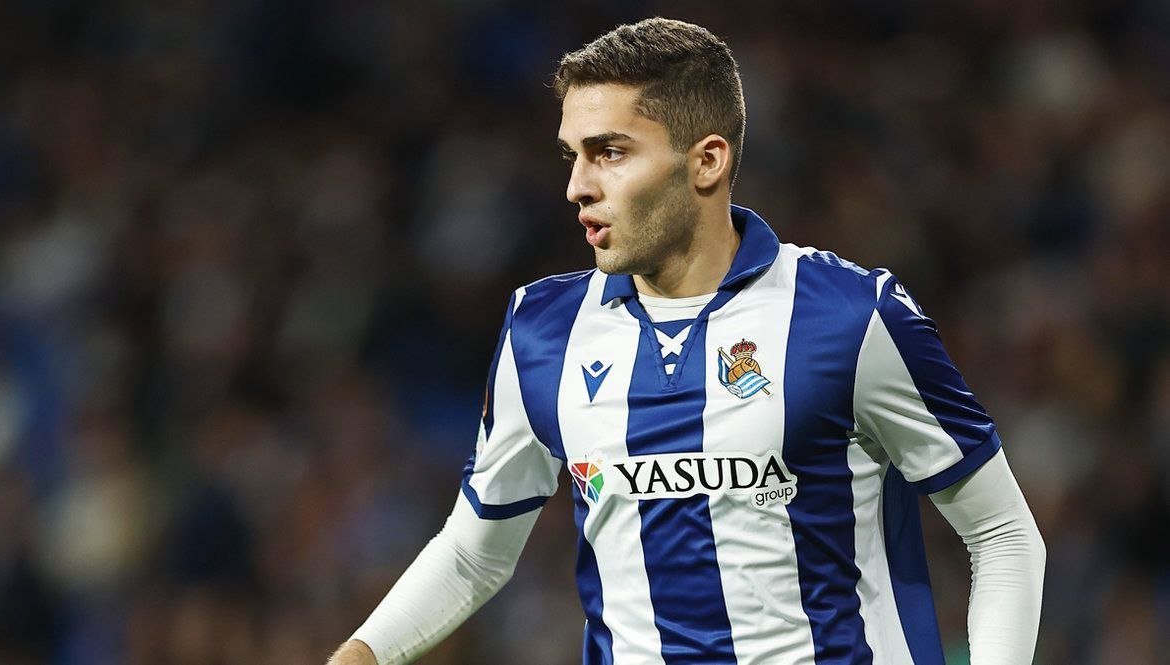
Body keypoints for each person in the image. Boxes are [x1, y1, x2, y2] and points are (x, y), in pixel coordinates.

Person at [329, 17, 1045, 665]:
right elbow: (473, 553)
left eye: (610, 152)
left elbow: (1003, 534)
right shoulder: (542, 330)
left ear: (707, 161)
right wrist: (360, 655)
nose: (577, 185)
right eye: (572, 155)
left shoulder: (851, 316)